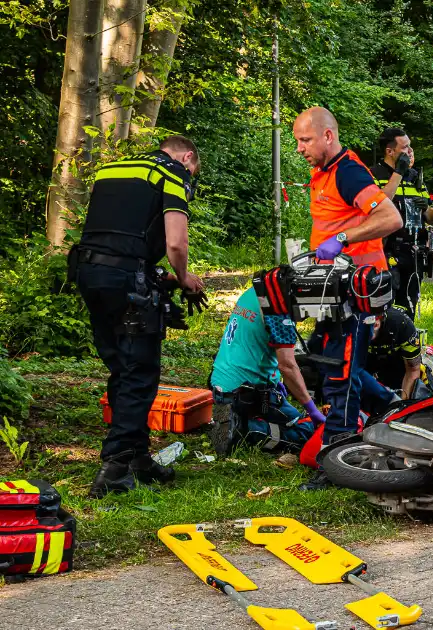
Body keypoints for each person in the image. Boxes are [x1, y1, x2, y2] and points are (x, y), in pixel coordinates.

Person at [74, 135, 205, 498]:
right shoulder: (173, 173)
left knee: (122, 368)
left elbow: (118, 233)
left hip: (88, 273)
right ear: (188, 157)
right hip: (127, 282)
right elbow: (176, 242)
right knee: (140, 372)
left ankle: (138, 458)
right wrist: (183, 277)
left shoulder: (112, 169)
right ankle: (115, 467)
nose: (190, 177)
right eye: (193, 170)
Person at [292, 106, 403, 488]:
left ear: (327, 136)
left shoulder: (348, 172)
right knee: (328, 363)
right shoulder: (322, 173)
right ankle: (390, 406)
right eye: (297, 141)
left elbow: (391, 218)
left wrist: (341, 240)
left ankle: (336, 458)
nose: (300, 148)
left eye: (305, 140)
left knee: (339, 373)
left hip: (356, 293)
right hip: (334, 289)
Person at [208, 286, 324, 456]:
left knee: (293, 417)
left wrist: (275, 381)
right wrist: (312, 409)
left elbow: (257, 344)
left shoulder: (257, 290)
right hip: (247, 392)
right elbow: (288, 366)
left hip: (221, 383)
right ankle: (244, 431)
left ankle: (233, 418)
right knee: (304, 431)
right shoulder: (280, 314)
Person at [372, 128, 433, 317]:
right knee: (384, 306)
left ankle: (406, 341)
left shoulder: (415, 177)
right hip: (387, 251)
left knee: (409, 305)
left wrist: (426, 208)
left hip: (414, 251)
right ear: (390, 151)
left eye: (410, 147)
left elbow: (432, 218)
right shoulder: (373, 174)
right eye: (405, 147)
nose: (409, 152)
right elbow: (380, 204)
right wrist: (399, 172)